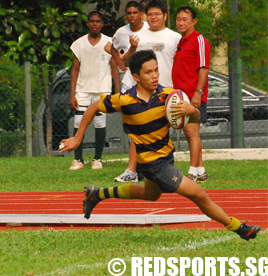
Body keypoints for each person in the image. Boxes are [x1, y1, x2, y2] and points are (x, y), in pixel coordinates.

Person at [60, 50, 260, 241]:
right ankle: (238, 227)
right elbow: (94, 105)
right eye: (148, 72)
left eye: (156, 70)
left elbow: (194, 118)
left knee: (151, 195)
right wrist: (78, 138)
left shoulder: (169, 96)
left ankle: (98, 194)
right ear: (136, 77)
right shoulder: (125, 100)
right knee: (199, 194)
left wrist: (191, 110)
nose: (155, 75)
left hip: (165, 157)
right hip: (153, 163)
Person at [112, 0, 182, 183]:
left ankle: (164, 169)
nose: (153, 17)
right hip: (140, 92)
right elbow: (126, 62)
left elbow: (182, 64)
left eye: (157, 14)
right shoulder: (138, 36)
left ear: (165, 16)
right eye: (150, 14)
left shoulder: (175, 37)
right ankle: (132, 170)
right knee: (138, 131)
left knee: (162, 134)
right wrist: (133, 47)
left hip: (164, 91)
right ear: (145, 16)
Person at [67, 11, 120, 170]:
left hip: (102, 90)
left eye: (98, 21)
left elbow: (115, 68)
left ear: (102, 24)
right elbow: (75, 70)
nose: (95, 24)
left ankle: (97, 159)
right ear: (88, 23)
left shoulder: (109, 43)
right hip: (82, 90)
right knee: (78, 122)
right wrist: (72, 94)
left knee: (99, 123)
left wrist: (117, 92)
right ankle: (78, 160)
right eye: (92, 21)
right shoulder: (79, 44)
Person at [104, 0, 149, 182]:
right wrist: (125, 56)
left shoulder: (150, 30)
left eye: (135, 13)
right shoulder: (121, 33)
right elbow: (115, 52)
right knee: (134, 127)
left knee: (151, 126)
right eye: (129, 13)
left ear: (141, 14)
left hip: (151, 85)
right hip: (131, 84)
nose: (132, 16)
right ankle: (132, 170)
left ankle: (149, 167)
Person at [172, 6, 210, 182]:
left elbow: (203, 69)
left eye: (185, 19)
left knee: (192, 131)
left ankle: (193, 171)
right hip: (181, 95)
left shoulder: (199, 40)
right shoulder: (181, 41)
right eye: (178, 19)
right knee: (189, 132)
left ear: (194, 21)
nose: (181, 22)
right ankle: (201, 170)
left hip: (193, 95)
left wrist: (198, 93)